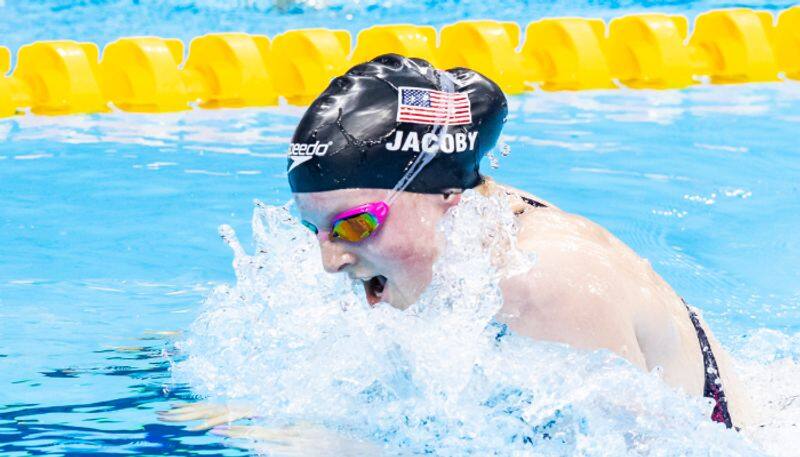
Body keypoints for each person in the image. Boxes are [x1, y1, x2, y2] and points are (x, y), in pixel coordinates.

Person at [287, 53, 754, 430]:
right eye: (316, 230)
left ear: (444, 195)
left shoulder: (542, 284)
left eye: (354, 225)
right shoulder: (482, 220)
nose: (330, 260)